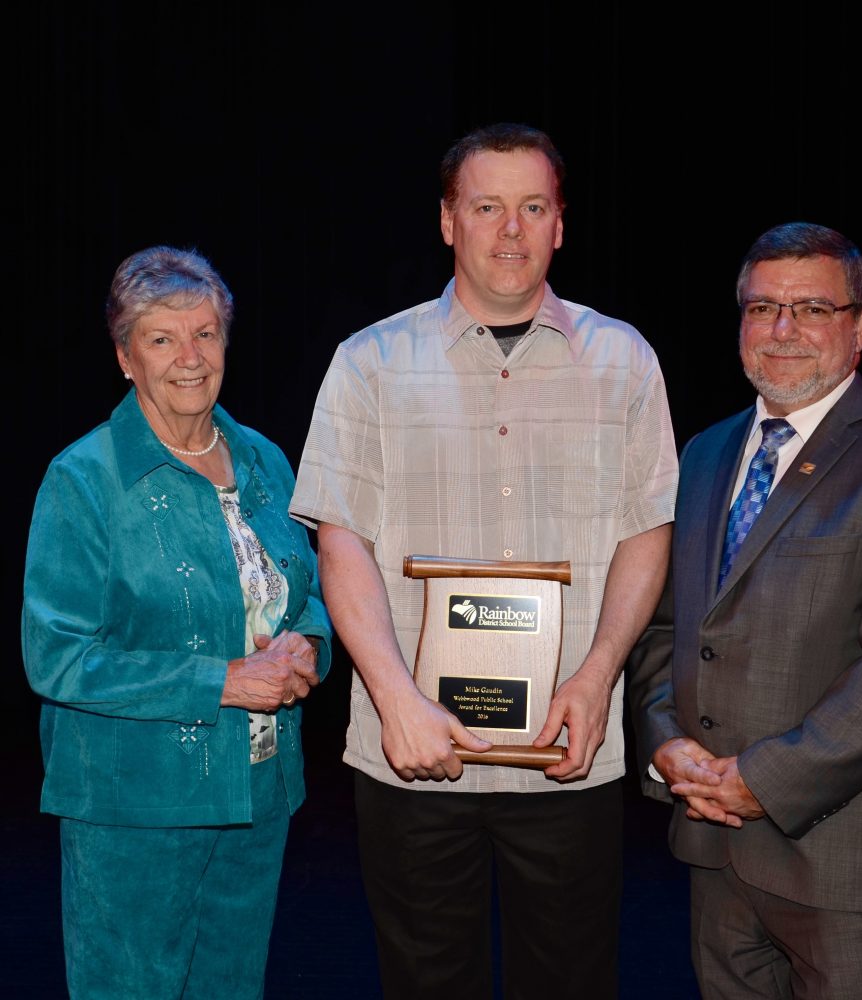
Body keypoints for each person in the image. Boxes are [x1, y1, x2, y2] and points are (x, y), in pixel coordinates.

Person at [289, 122, 678, 999]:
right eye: (487, 207)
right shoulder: (369, 362)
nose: (511, 230)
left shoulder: (623, 359)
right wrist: (394, 699)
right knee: (427, 983)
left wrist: (597, 675)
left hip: (568, 745)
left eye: (532, 207)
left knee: (572, 981)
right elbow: (339, 536)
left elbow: (645, 531)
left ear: (561, 224)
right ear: (447, 222)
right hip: (413, 751)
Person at [628, 221, 862, 999]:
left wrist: (766, 778)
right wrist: (664, 743)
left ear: (859, 327)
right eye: (762, 309)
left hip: (850, 861)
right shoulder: (703, 454)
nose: (783, 330)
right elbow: (663, 630)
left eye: (812, 309)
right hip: (714, 849)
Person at [22, 245, 333, 999]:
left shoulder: (263, 458)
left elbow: (310, 591)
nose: (190, 358)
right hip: (135, 808)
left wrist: (308, 648)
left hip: (258, 794)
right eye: (162, 339)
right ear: (126, 357)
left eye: (206, 333)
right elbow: (57, 657)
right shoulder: (84, 478)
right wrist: (222, 681)